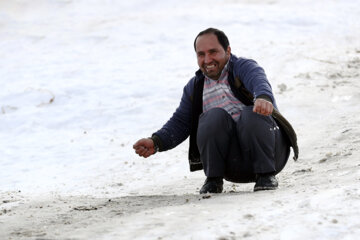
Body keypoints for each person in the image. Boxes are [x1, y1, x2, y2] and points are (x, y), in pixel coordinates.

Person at [133, 28, 298, 194]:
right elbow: (180, 122)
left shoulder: (243, 67)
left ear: (228, 50)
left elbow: (258, 80)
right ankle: (213, 179)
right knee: (213, 117)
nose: (207, 59)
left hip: (271, 156)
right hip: (232, 167)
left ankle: (266, 176)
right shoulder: (195, 87)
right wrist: (155, 142)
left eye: (213, 52)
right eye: (201, 54)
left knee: (250, 114)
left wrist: (263, 97)